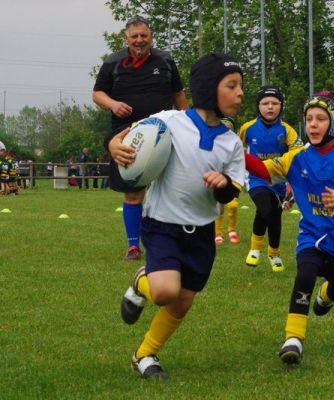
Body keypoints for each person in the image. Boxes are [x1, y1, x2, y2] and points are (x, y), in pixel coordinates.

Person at [110, 53, 245, 379]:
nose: (241, 93)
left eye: (241, 86)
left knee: (182, 302)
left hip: (200, 234)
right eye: (232, 86)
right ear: (208, 88)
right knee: (164, 292)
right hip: (162, 225)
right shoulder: (171, 120)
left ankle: (145, 355)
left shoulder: (231, 143)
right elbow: (127, 138)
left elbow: (233, 191)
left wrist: (223, 184)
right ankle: (142, 283)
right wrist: (114, 144)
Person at [244, 91, 334, 365]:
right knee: (305, 273)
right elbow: (263, 169)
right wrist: (235, 153)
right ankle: (293, 339)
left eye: (320, 119)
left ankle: (325, 297)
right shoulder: (297, 157)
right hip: (311, 236)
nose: (313, 125)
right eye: (308, 119)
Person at [93, 15, 188, 261]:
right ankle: (133, 247)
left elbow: (178, 93)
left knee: (172, 188)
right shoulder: (113, 62)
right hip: (127, 135)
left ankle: (173, 242)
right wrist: (113, 104)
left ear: (151, 37)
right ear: (126, 39)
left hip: (164, 133)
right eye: (134, 36)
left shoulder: (165, 60)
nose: (139, 40)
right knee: (134, 192)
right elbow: (97, 94)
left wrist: (188, 122)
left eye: (143, 36)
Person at [239, 86, 303, 272]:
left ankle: (274, 254)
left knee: (275, 218)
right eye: (265, 103)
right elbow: (234, 147)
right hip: (256, 178)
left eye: (275, 103)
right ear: (258, 106)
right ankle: (255, 249)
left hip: (278, 183)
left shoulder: (287, 130)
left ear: (281, 106)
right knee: (264, 207)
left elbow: (298, 153)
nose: (270, 107)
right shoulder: (247, 128)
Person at [214, 117, 241, 244]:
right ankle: (218, 233)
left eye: (228, 127)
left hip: (233, 178)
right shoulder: (212, 142)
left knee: (233, 205)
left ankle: (232, 230)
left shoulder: (236, 143)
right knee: (219, 207)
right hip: (218, 177)